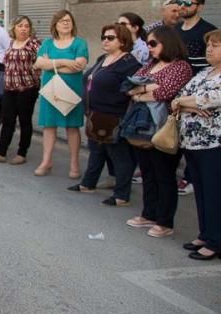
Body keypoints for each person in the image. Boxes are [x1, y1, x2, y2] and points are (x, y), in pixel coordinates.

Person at [125, 26, 192, 238]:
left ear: (168, 43)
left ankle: (165, 221)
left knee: (164, 174)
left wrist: (143, 90)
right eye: (147, 43)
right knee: (148, 173)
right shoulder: (149, 65)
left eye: (153, 43)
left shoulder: (181, 67)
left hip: (164, 127)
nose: (149, 48)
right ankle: (149, 213)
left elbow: (167, 91)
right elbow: (129, 86)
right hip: (142, 127)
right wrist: (148, 89)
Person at [66, 24, 140, 205]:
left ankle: (122, 195)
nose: (105, 40)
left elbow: (132, 89)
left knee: (120, 156)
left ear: (122, 41)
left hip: (114, 116)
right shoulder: (103, 58)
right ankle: (88, 184)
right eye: (103, 37)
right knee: (96, 151)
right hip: (95, 114)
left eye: (110, 38)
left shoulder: (129, 64)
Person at [172, 29, 221, 260]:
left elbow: (211, 99)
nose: (209, 49)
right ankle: (205, 234)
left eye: (216, 45)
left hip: (214, 144)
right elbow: (177, 98)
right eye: (209, 44)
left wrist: (186, 102)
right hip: (191, 142)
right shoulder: (203, 73)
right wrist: (188, 104)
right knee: (200, 191)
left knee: (214, 192)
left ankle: (216, 241)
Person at [34, 10, 89, 178]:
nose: (66, 23)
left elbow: (79, 65)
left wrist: (51, 63)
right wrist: (65, 62)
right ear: (55, 25)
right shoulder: (48, 44)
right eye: (62, 21)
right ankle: (46, 161)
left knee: (72, 127)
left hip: (71, 90)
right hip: (51, 91)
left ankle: (74, 163)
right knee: (49, 126)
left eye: (68, 20)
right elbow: (39, 63)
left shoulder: (80, 43)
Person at [0, 16, 40, 165]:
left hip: (27, 88)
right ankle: (1, 152)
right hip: (10, 88)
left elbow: (41, 63)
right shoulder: (11, 43)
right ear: (14, 28)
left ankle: (22, 153)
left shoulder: (34, 44)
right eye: (20, 26)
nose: (23, 29)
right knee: (7, 120)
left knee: (24, 121)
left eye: (26, 26)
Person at [177, 0, 216, 74]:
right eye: (180, 2)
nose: (182, 6)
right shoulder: (174, 29)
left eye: (188, 3)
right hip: (172, 79)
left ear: (200, 8)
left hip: (196, 81)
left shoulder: (210, 31)